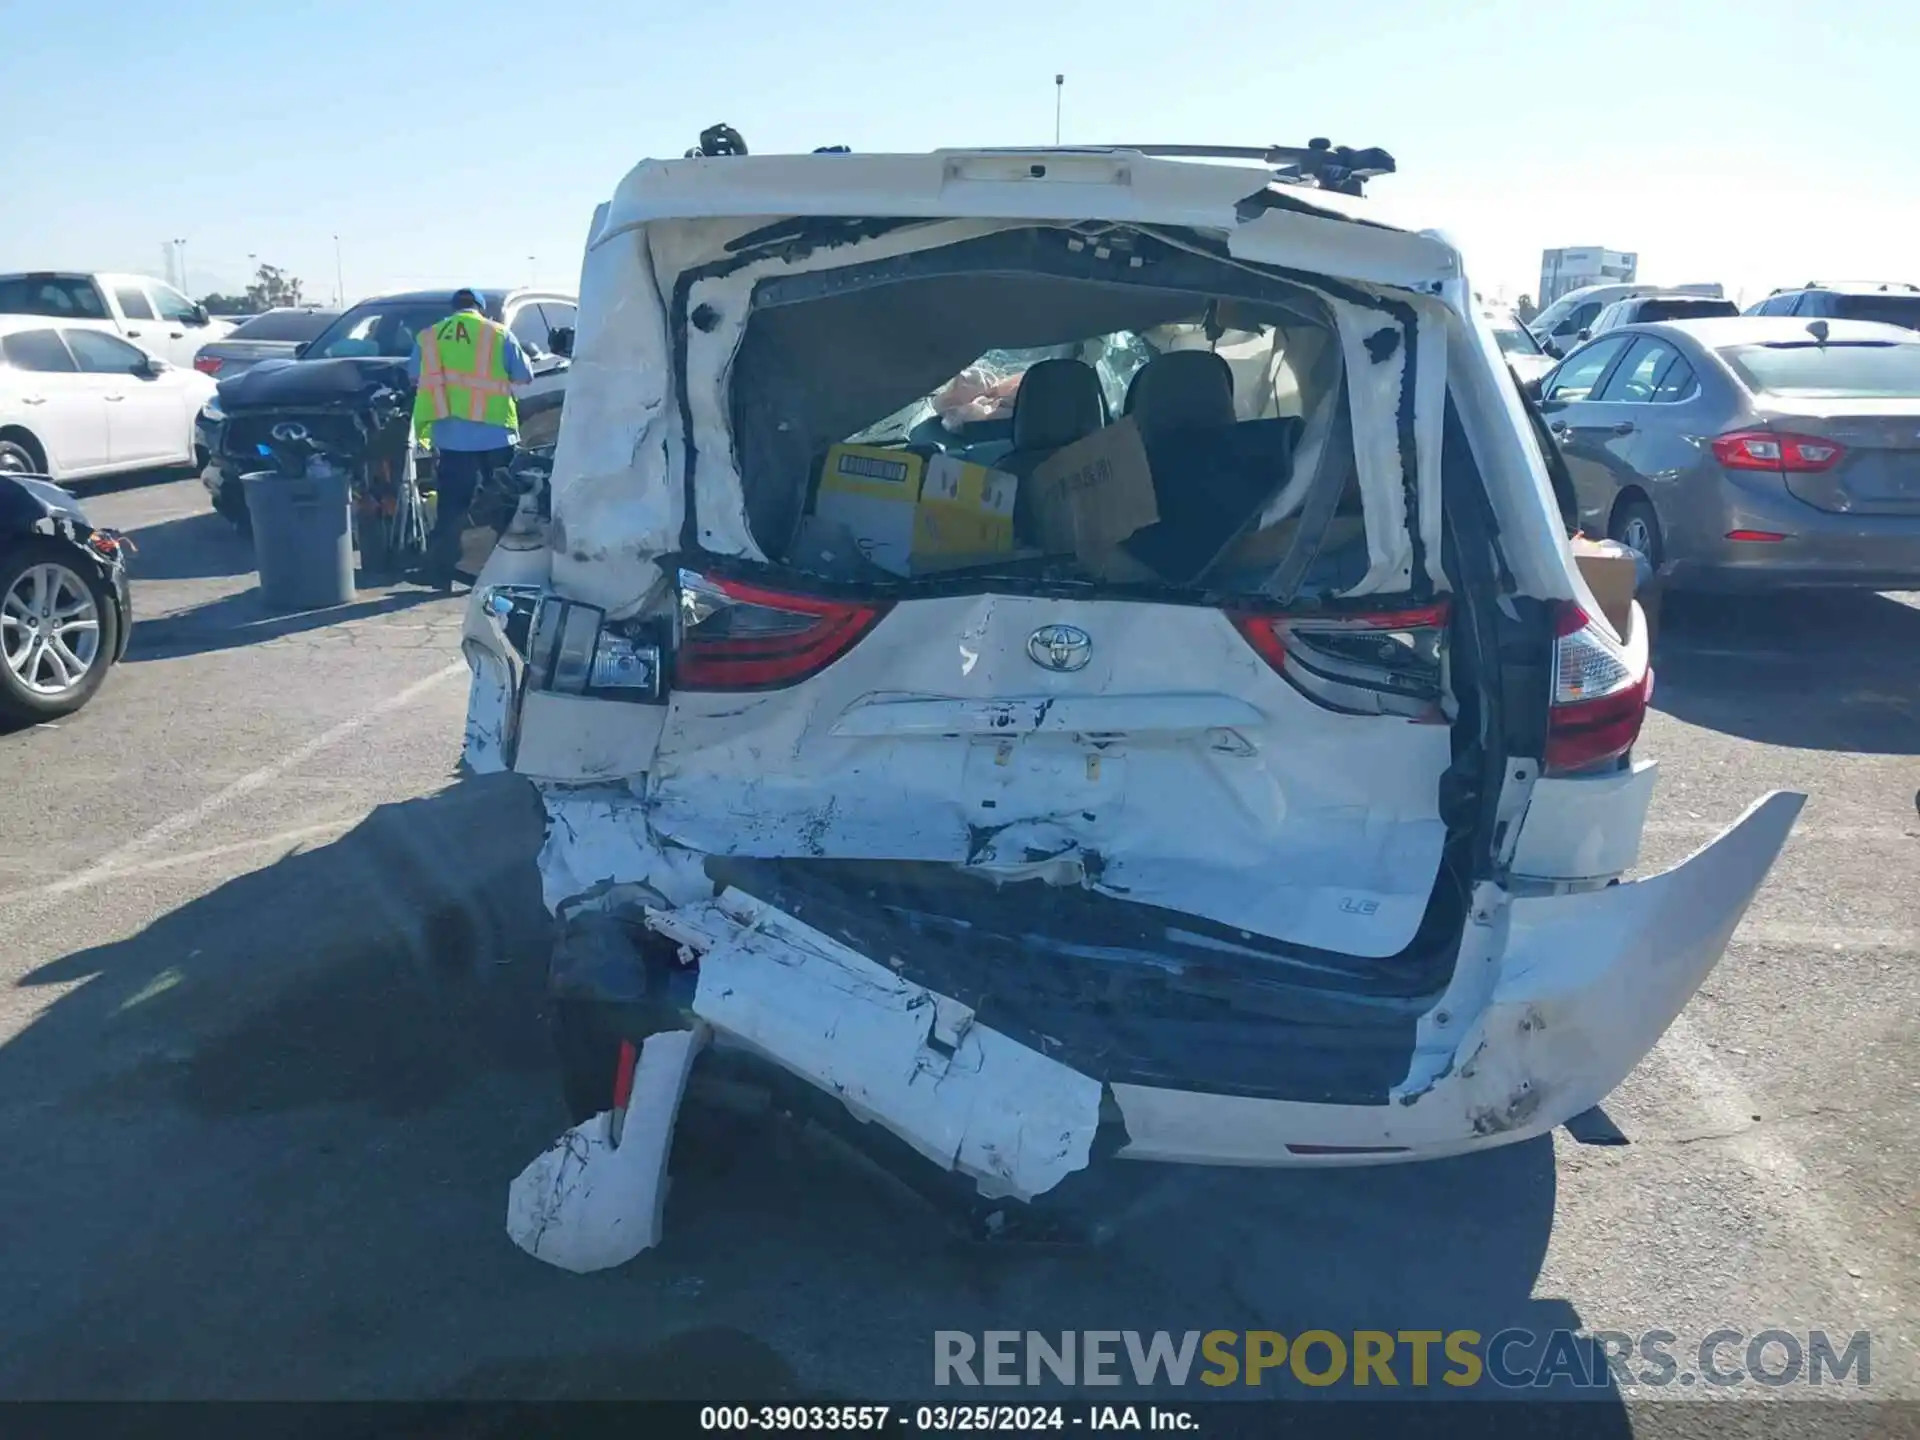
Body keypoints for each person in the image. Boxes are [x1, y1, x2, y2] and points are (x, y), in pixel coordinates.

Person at [408, 289, 533, 591]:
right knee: (506, 502)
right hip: (496, 433)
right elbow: (524, 375)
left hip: (452, 437)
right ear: (480, 308)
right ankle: (512, 572)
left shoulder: (429, 337)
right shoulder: (498, 334)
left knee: (452, 505)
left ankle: (440, 572)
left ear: (453, 309)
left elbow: (414, 377)